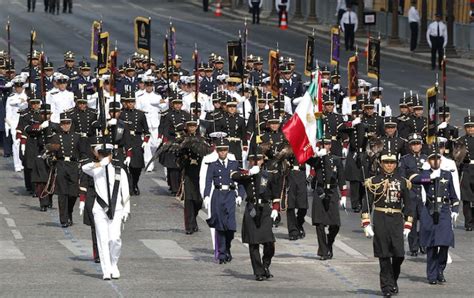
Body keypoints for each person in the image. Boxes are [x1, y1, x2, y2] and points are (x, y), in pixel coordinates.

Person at [361, 149, 413, 297]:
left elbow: (408, 205)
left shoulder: (403, 182)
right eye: (386, 163)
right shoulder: (374, 181)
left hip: (396, 220)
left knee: (399, 255)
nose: (389, 165)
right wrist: (366, 223)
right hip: (380, 218)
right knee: (384, 255)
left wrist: (408, 225)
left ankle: (392, 280)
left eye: (392, 163)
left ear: (396, 164)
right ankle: (386, 287)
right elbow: (367, 204)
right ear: (381, 163)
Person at [411, 146, 459, 285]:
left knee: (444, 243)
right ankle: (431, 275)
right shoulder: (425, 174)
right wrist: (430, 178)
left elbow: (453, 195)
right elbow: (415, 180)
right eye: (432, 159)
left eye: (437, 158)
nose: (435, 161)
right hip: (430, 210)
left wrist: (455, 209)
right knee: (431, 244)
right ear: (429, 161)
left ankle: (440, 270)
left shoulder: (447, 174)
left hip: (443, 210)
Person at [82, 143, 130, 280]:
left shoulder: (120, 171)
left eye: (107, 154)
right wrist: (99, 164)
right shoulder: (96, 170)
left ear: (111, 154)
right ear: (98, 155)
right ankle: (106, 269)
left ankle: (114, 263)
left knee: (115, 239)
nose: (105, 157)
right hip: (100, 209)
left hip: (116, 209)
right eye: (102, 154)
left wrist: (127, 210)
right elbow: (84, 168)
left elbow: (125, 192)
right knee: (102, 239)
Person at [231, 147, 279, 281]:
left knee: (269, 242)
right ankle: (258, 272)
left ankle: (265, 264)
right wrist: (249, 173)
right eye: (253, 160)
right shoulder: (248, 174)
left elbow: (275, 193)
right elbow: (233, 176)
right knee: (254, 243)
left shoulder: (268, 175)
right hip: (252, 209)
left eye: (258, 159)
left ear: (263, 160)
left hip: (265, 210)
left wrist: (275, 208)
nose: (256, 162)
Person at [203, 138, 245, 264]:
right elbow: (208, 181)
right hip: (218, 195)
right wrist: (206, 196)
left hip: (230, 195)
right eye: (220, 150)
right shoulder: (213, 165)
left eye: (225, 150)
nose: (222, 152)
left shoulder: (234, 164)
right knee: (220, 225)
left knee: (231, 227)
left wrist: (240, 195)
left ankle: (227, 247)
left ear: (228, 150)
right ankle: (221, 254)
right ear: (217, 151)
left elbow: (241, 181)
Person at [307, 136, 347, 260]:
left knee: (335, 224)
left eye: (328, 144)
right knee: (319, 223)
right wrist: (318, 155)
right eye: (324, 144)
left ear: (331, 145)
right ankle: (323, 251)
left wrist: (344, 194)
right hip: (320, 191)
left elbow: (341, 178)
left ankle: (329, 243)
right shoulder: (317, 159)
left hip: (332, 191)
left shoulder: (336, 160)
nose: (326, 146)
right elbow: (307, 160)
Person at [47, 113, 87, 227]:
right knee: (62, 193)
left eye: (68, 123)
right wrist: (51, 156)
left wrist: (83, 162)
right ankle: (63, 219)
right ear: (60, 124)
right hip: (61, 164)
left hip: (73, 165)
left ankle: (69, 211)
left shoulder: (77, 136)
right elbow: (49, 151)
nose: (66, 126)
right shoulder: (55, 137)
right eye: (63, 123)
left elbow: (83, 152)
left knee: (73, 194)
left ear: (71, 124)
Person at [399, 133, 427, 257]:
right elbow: (402, 177)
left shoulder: (427, 158)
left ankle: (424, 244)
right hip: (411, 192)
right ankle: (413, 246)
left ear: (421, 145)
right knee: (412, 220)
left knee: (426, 220)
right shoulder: (405, 159)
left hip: (425, 192)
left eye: (418, 144)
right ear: (410, 146)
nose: (416, 146)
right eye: (413, 144)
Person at [456, 113, 474, 231]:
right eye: (468, 127)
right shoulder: (461, 141)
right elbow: (456, 158)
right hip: (467, 169)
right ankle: (469, 222)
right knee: (467, 198)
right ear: (464, 128)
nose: (470, 129)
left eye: (472, 126)